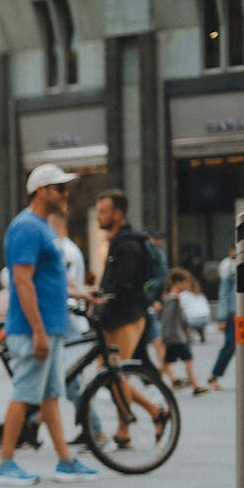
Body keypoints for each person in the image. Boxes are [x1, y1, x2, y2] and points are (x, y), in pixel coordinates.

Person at [0, 164, 99, 485]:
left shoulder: (43, 228)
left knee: (50, 395)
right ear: (42, 191)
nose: (66, 194)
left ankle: (65, 460)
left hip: (50, 326)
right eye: (60, 188)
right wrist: (37, 330)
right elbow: (22, 282)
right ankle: (4, 463)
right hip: (31, 329)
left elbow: (55, 277)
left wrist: (84, 293)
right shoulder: (26, 228)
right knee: (24, 394)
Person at [94, 189, 168, 446]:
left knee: (115, 373)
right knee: (110, 374)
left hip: (126, 317)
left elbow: (125, 286)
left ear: (117, 213)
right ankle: (154, 412)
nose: (98, 218)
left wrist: (103, 297)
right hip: (114, 318)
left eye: (103, 212)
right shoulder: (118, 242)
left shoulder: (128, 244)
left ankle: (127, 430)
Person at [160, 269, 209, 395]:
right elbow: (167, 319)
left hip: (175, 336)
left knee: (167, 362)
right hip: (176, 337)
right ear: (177, 283)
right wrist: (167, 336)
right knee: (188, 359)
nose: (188, 286)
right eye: (186, 283)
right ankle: (195, 386)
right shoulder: (172, 298)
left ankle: (168, 382)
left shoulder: (173, 297)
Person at [209, 251, 236, 390]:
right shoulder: (231, 269)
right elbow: (224, 294)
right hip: (234, 314)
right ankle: (214, 375)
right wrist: (222, 318)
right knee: (230, 346)